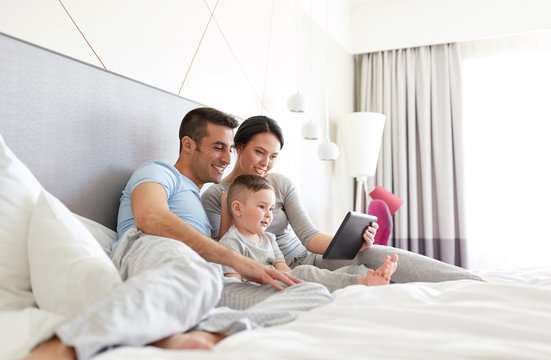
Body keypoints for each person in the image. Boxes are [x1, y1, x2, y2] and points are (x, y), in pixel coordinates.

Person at [26, 108, 332, 360]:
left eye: (229, 148)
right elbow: (149, 216)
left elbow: (225, 243)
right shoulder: (158, 172)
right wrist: (236, 260)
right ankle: (59, 349)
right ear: (188, 145)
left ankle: (201, 332)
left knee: (312, 292)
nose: (227, 158)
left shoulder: (205, 199)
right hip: (153, 246)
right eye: (218, 147)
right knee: (192, 272)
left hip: (207, 275)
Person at [202, 115, 483, 284]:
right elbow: (225, 249)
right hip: (280, 268)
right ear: (239, 147)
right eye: (259, 152)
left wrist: (350, 244)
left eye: (273, 156)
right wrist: (229, 201)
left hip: (311, 256)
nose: (266, 163)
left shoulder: (280, 184)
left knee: (371, 253)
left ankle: (468, 280)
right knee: (354, 273)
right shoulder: (216, 195)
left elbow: (309, 235)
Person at [220, 174, 398, 292]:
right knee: (305, 272)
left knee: (334, 270)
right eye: (262, 207)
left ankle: (366, 276)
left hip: (279, 281)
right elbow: (233, 286)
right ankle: (363, 283)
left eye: (272, 209)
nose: (269, 215)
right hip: (260, 288)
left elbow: (284, 270)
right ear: (237, 208)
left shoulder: (269, 238)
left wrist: (297, 281)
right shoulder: (231, 243)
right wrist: (297, 278)